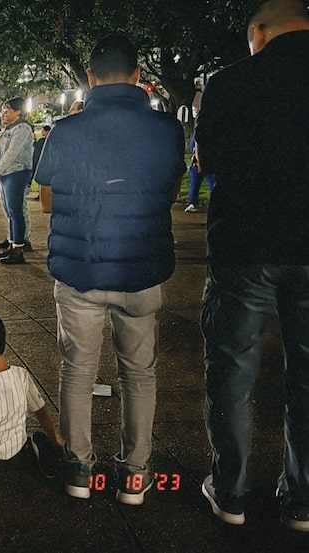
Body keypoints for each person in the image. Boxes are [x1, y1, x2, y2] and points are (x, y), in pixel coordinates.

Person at [34, 32, 185, 505]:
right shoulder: (166, 130)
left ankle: (79, 468)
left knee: (77, 370)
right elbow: (170, 191)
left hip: (81, 271)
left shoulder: (66, 130)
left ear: (91, 77)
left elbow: (46, 200)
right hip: (141, 270)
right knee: (139, 373)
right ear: (139, 75)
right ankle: (135, 475)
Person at [195, 0, 309, 531]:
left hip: (245, 246)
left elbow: (207, 161)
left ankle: (231, 490)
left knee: (233, 374)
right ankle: (302, 499)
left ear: (258, 33)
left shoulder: (229, 83)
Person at [0, 313, 64, 476]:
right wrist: (55, 438)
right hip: (18, 448)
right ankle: (32, 453)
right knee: (36, 436)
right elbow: (40, 410)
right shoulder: (21, 375)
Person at [0, 97, 35, 265]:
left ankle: (18, 249)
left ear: (18, 111)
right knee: (10, 212)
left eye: (7, 109)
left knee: (16, 212)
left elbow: (12, 154)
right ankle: (12, 244)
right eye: (3, 109)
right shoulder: (10, 129)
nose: (3, 113)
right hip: (7, 174)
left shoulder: (22, 128)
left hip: (16, 173)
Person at [184, 133, 215, 213]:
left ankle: (193, 202)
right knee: (212, 184)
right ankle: (193, 202)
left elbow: (192, 149)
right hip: (206, 163)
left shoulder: (197, 135)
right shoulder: (210, 136)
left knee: (195, 183)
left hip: (198, 163)